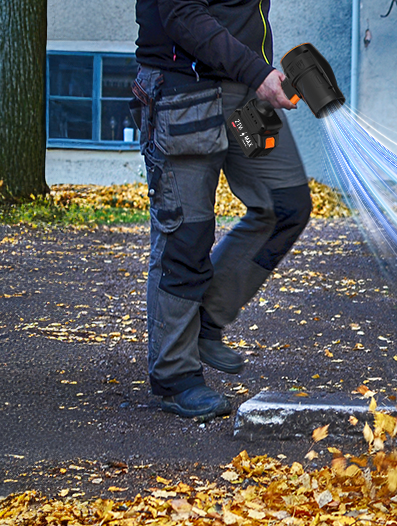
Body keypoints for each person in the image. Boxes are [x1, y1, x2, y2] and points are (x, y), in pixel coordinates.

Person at [132, 0, 312, 418]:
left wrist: (257, 73)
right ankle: (176, 376)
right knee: (186, 233)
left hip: (246, 94)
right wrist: (258, 72)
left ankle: (206, 319)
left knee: (285, 205)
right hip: (184, 90)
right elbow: (182, 14)